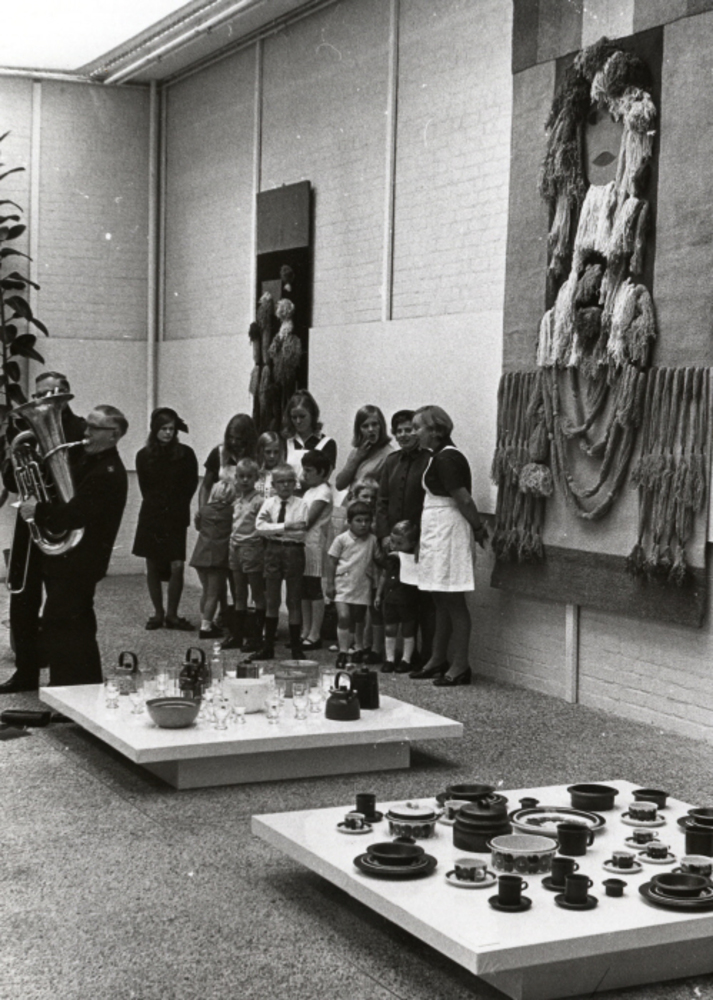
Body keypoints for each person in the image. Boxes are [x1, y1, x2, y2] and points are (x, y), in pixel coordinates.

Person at [18, 404, 128, 687]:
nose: (86, 432)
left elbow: (77, 514)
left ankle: (72, 689)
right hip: (71, 558)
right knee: (72, 625)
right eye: (87, 425)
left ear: (113, 434)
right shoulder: (89, 460)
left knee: (63, 624)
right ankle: (77, 689)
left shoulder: (107, 471)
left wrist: (38, 510)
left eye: (94, 428)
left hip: (81, 560)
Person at [0, 371, 86, 694]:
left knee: (62, 605)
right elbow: (12, 483)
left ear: (64, 392)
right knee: (22, 601)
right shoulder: (26, 431)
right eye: (37, 395)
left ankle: (63, 678)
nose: (40, 401)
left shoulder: (81, 431)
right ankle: (26, 672)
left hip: (64, 522)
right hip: (31, 527)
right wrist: (14, 457)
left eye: (48, 393)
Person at [409, 405, 487, 687]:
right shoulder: (435, 457)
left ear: (435, 430)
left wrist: (478, 528)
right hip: (436, 532)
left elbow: (463, 499)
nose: (414, 433)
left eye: (418, 427)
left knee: (453, 601)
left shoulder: (448, 458)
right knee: (439, 598)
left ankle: (460, 665)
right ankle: (437, 659)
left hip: (449, 533)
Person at [375, 409, 434, 665]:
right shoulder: (391, 461)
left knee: (421, 600)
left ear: (418, 431)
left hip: (418, 544)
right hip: (393, 544)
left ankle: (421, 654)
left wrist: (420, 540)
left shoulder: (429, 459)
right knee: (393, 596)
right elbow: (382, 501)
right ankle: (393, 654)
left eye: (409, 429)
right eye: (398, 431)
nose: (404, 434)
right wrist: (383, 536)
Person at [132, 407, 198, 631]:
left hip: (176, 514)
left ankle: (172, 614)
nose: (168, 433)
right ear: (155, 430)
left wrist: (176, 507)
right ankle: (158, 613)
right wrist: (158, 507)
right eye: (163, 429)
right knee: (151, 563)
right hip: (152, 514)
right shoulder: (143, 456)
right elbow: (145, 487)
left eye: (171, 429)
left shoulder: (186, 454)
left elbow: (190, 485)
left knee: (177, 564)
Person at [251, 463, 309, 661]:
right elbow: (260, 527)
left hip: (294, 551)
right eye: (281, 482)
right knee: (272, 599)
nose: (285, 485)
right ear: (273, 485)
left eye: (289, 481)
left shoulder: (301, 504)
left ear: (295, 483)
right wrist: (286, 526)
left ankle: (296, 647)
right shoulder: (269, 504)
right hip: (272, 550)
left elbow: (300, 531)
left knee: (293, 599)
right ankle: (268, 647)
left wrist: (275, 527)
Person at [326, 500, 378, 669]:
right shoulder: (341, 539)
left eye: (367, 521)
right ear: (349, 521)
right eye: (358, 520)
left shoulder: (372, 540)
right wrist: (330, 584)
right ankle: (342, 651)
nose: (363, 524)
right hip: (343, 583)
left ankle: (358, 647)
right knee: (344, 616)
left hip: (362, 584)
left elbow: (378, 559)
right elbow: (332, 561)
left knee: (358, 618)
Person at [222, 458, 265, 651]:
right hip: (235, 547)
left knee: (256, 592)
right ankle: (237, 635)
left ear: (256, 478)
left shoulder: (259, 501)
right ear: (236, 478)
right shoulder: (237, 500)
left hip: (252, 548)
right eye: (241, 476)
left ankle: (256, 636)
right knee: (239, 592)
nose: (245, 480)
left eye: (249, 476)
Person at [190, 478, 235, 640]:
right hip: (218, 557)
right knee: (213, 594)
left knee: (206, 590)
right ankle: (206, 626)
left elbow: (198, 527)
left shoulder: (203, 510)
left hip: (200, 555)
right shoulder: (232, 512)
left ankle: (205, 619)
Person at [375, 520, 421, 674]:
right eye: (393, 541)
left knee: (407, 630)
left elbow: (414, 573)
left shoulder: (414, 558)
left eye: (400, 543)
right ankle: (389, 659)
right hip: (390, 599)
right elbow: (384, 575)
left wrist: (402, 557)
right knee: (390, 628)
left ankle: (406, 659)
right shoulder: (389, 557)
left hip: (407, 599)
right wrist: (378, 594)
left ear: (412, 544)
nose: (394, 546)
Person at [299, 449, 333, 650]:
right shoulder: (309, 491)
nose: (304, 474)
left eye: (309, 470)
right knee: (303, 589)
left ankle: (315, 633)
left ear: (321, 472)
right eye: (304, 469)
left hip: (315, 545)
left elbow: (308, 520)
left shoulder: (323, 492)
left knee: (313, 588)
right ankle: (305, 630)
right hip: (303, 544)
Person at [282, 390, 337, 483]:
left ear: (312, 415)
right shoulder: (285, 442)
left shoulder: (327, 443)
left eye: (302, 416)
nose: (298, 421)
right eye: (294, 417)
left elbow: (324, 478)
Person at [255, 430, 283, 500]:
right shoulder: (254, 472)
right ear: (261, 452)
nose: (272, 456)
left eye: (276, 452)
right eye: (268, 452)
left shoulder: (285, 472)